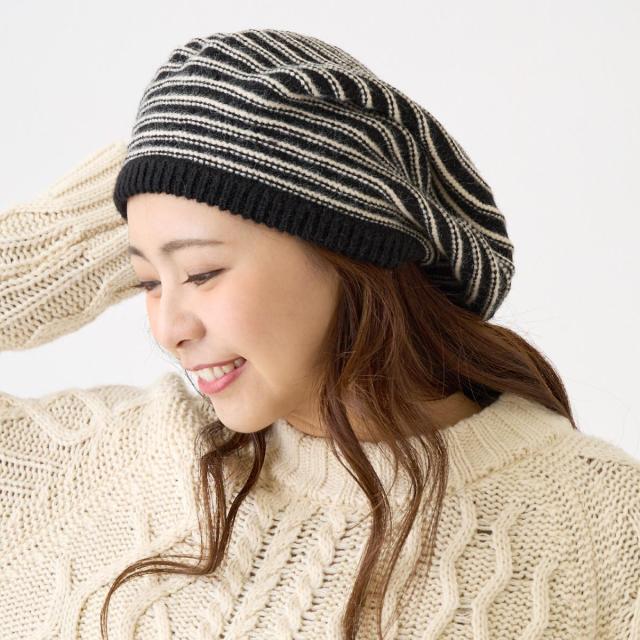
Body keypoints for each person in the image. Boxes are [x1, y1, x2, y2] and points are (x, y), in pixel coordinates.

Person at [1, 28, 639, 640]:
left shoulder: (603, 521)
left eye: (201, 273)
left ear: (345, 249)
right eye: (147, 282)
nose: (169, 328)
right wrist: (165, 161)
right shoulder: (105, 458)